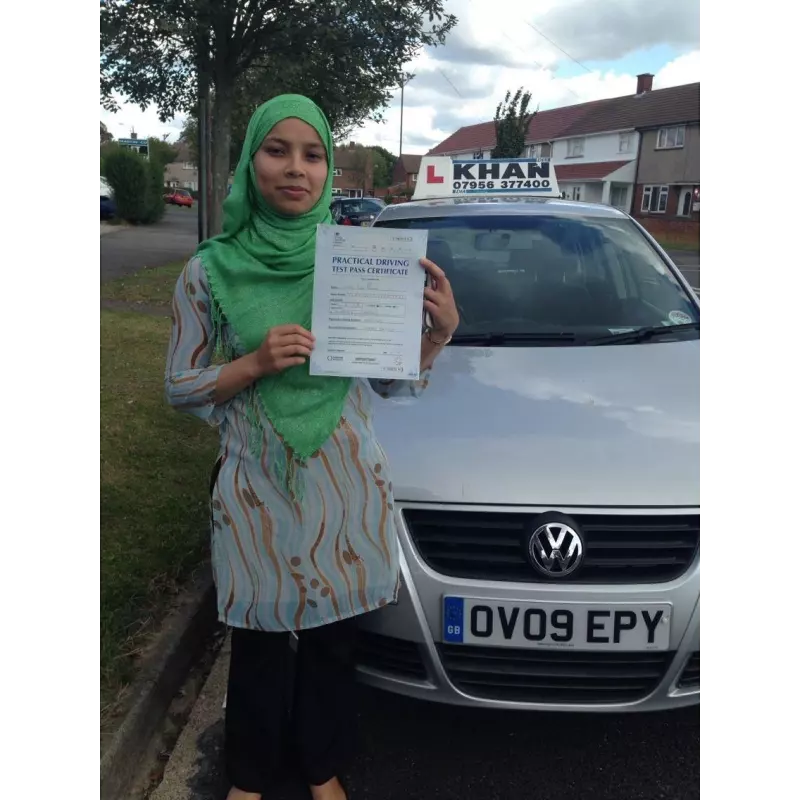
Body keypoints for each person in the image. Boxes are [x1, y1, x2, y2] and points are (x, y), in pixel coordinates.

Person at [164, 95, 459, 800]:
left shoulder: (360, 262)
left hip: (345, 480)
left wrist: (436, 334)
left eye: (313, 153)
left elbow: (393, 387)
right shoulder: (210, 271)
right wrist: (253, 364)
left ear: (328, 167)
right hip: (256, 484)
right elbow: (180, 385)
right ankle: (249, 777)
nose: (296, 168)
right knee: (259, 640)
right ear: (251, 161)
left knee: (332, 639)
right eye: (278, 150)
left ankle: (321, 766)